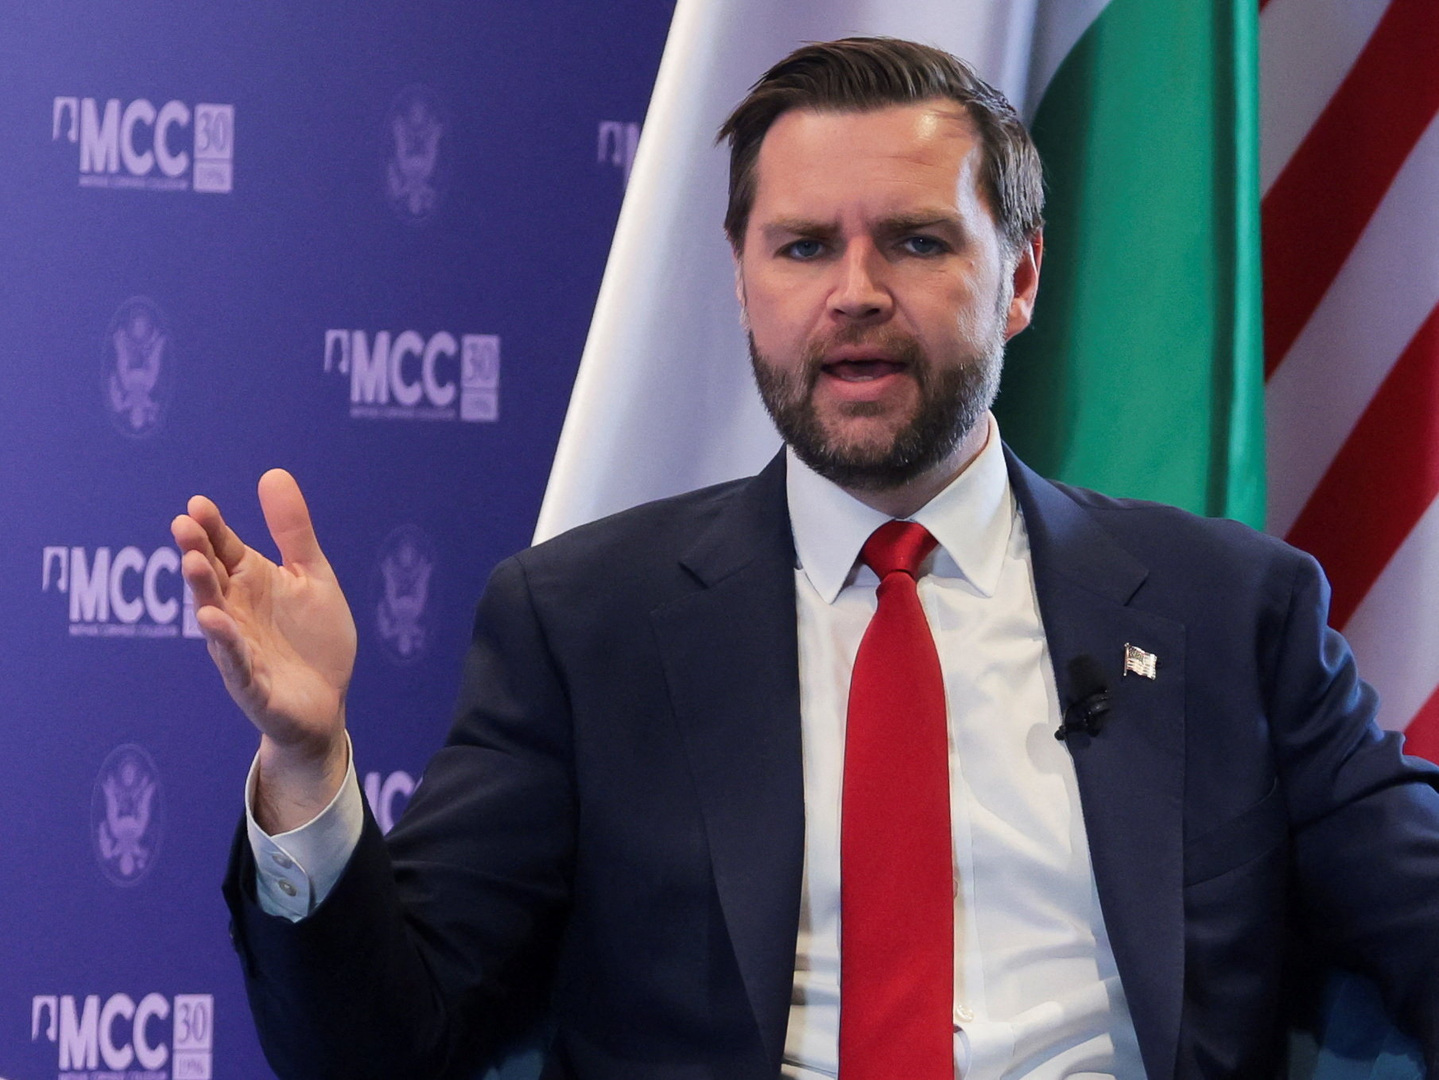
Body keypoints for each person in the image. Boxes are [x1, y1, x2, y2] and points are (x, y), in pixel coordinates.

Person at [172, 37, 1439, 1080]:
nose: (854, 292)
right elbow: (381, 1048)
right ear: (740, 282)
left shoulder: (1228, 610)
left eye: (916, 241)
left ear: (1017, 280)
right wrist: (309, 766)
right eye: (802, 246)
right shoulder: (584, 625)